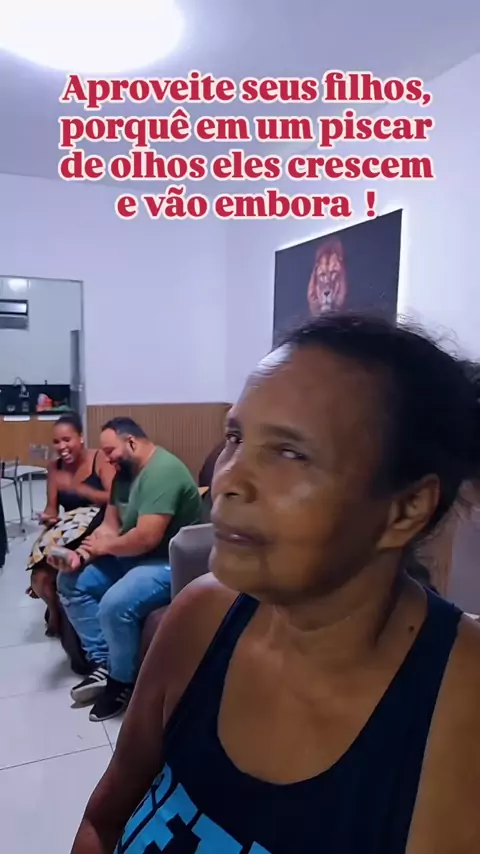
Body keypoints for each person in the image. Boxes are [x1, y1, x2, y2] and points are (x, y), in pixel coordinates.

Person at [71, 315, 480, 854]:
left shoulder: (461, 705)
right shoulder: (202, 615)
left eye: (290, 453)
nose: (227, 479)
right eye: (235, 437)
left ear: (405, 509)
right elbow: (102, 823)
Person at [57, 417, 202, 723]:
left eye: (110, 451)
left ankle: (121, 680)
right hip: (133, 555)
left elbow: (147, 538)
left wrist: (105, 548)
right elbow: (110, 526)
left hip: (167, 561)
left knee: (115, 604)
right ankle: (105, 662)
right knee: (70, 581)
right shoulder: (124, 474)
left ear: (131, 442)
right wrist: (80, 556)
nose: (107, 459)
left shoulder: (163, 472)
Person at [26, 412, 113, 641]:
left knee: (69, 572)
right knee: (39, 577)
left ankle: (73, 614)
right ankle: (56, 612)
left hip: (101, 528)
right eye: (56, 441)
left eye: (67, 439)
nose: (62, 447)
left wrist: (82, 490)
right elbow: (52, 509)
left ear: (81, 437)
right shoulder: (55, 468)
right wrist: (48, 518)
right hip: (71, 531)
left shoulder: (99, 459)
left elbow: (116, 498)